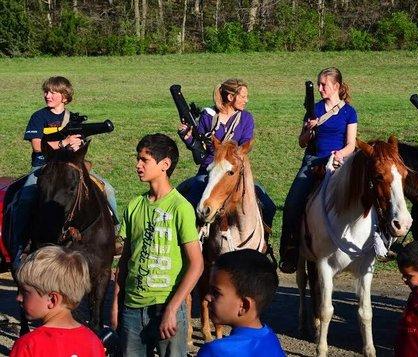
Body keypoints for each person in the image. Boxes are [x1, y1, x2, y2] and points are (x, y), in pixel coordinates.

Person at [10, 76, 118, 268]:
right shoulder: (39, 117)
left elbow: (78, 149)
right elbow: (37, 146)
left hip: (71, 168)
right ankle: (19, 246)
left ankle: (115, 235)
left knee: (107, 189)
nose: (47, 95)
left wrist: (78, 145)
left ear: (65, 97)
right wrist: (64, 143)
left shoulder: (74, 120)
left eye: (53, 92)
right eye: (46, 91)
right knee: (26, 197)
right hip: (44, 167)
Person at [112, 133, 204, 356]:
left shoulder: (180, 207)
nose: (138, 165)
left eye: (144, 160)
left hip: (167, 306)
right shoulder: (134, 206)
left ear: (165, 164)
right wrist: (116, 303)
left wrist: (173, 309)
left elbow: (196, 264)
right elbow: (125, 260)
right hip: (132, 309)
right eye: (138, 159)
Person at [279, 67, 358, 273]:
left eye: (324, 84)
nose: (321, 88)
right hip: (313, 162)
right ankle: (290, 251)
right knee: (292, 202)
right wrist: (309, 129)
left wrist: (340, 154)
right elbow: (301, 143)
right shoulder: (314, 109)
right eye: (319, 84)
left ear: (337, 87)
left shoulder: (349, 112)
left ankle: (376, 242)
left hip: (338, 161)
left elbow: (351, 144)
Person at [177, 78, 275, 231]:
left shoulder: (246, 119)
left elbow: (245, 145)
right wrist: (188, 138)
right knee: (189, 205)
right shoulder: (207, 117)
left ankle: (264, 243)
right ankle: (191, 245)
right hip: (210, 171)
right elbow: (199, 148)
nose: (246, 100)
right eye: (243, 97)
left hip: (234, 174)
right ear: (230, 97)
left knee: (268, 206)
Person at [10, 245, 105, 357]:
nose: (18, 298)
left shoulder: (28, 346)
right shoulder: (94, 342)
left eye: (24, 292)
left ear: (52, 300)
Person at [198, 249, 284, 357]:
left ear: (244, 306)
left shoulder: (215, 351)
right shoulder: (270, 338)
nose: (207, 297)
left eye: (215, 293)